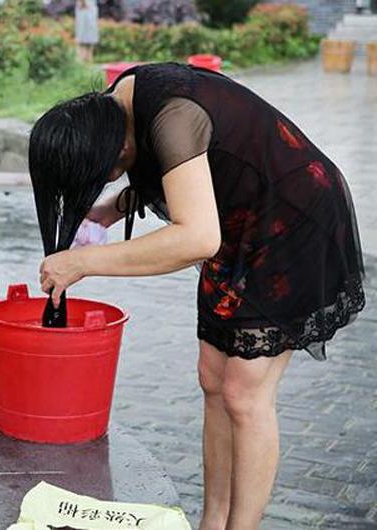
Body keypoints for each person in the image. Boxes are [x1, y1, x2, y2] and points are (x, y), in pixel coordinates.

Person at [30, 63, 364, 530]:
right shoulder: (115, 106)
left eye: (104, 176)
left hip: (292, 218)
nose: (108, 180)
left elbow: (197, 239)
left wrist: (82, 262)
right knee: (213, 378)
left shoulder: (173, 116)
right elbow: (181, 172)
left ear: (117, 148)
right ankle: (213, 521)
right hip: (237, 222)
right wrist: (111, 209)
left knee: (245, 393)